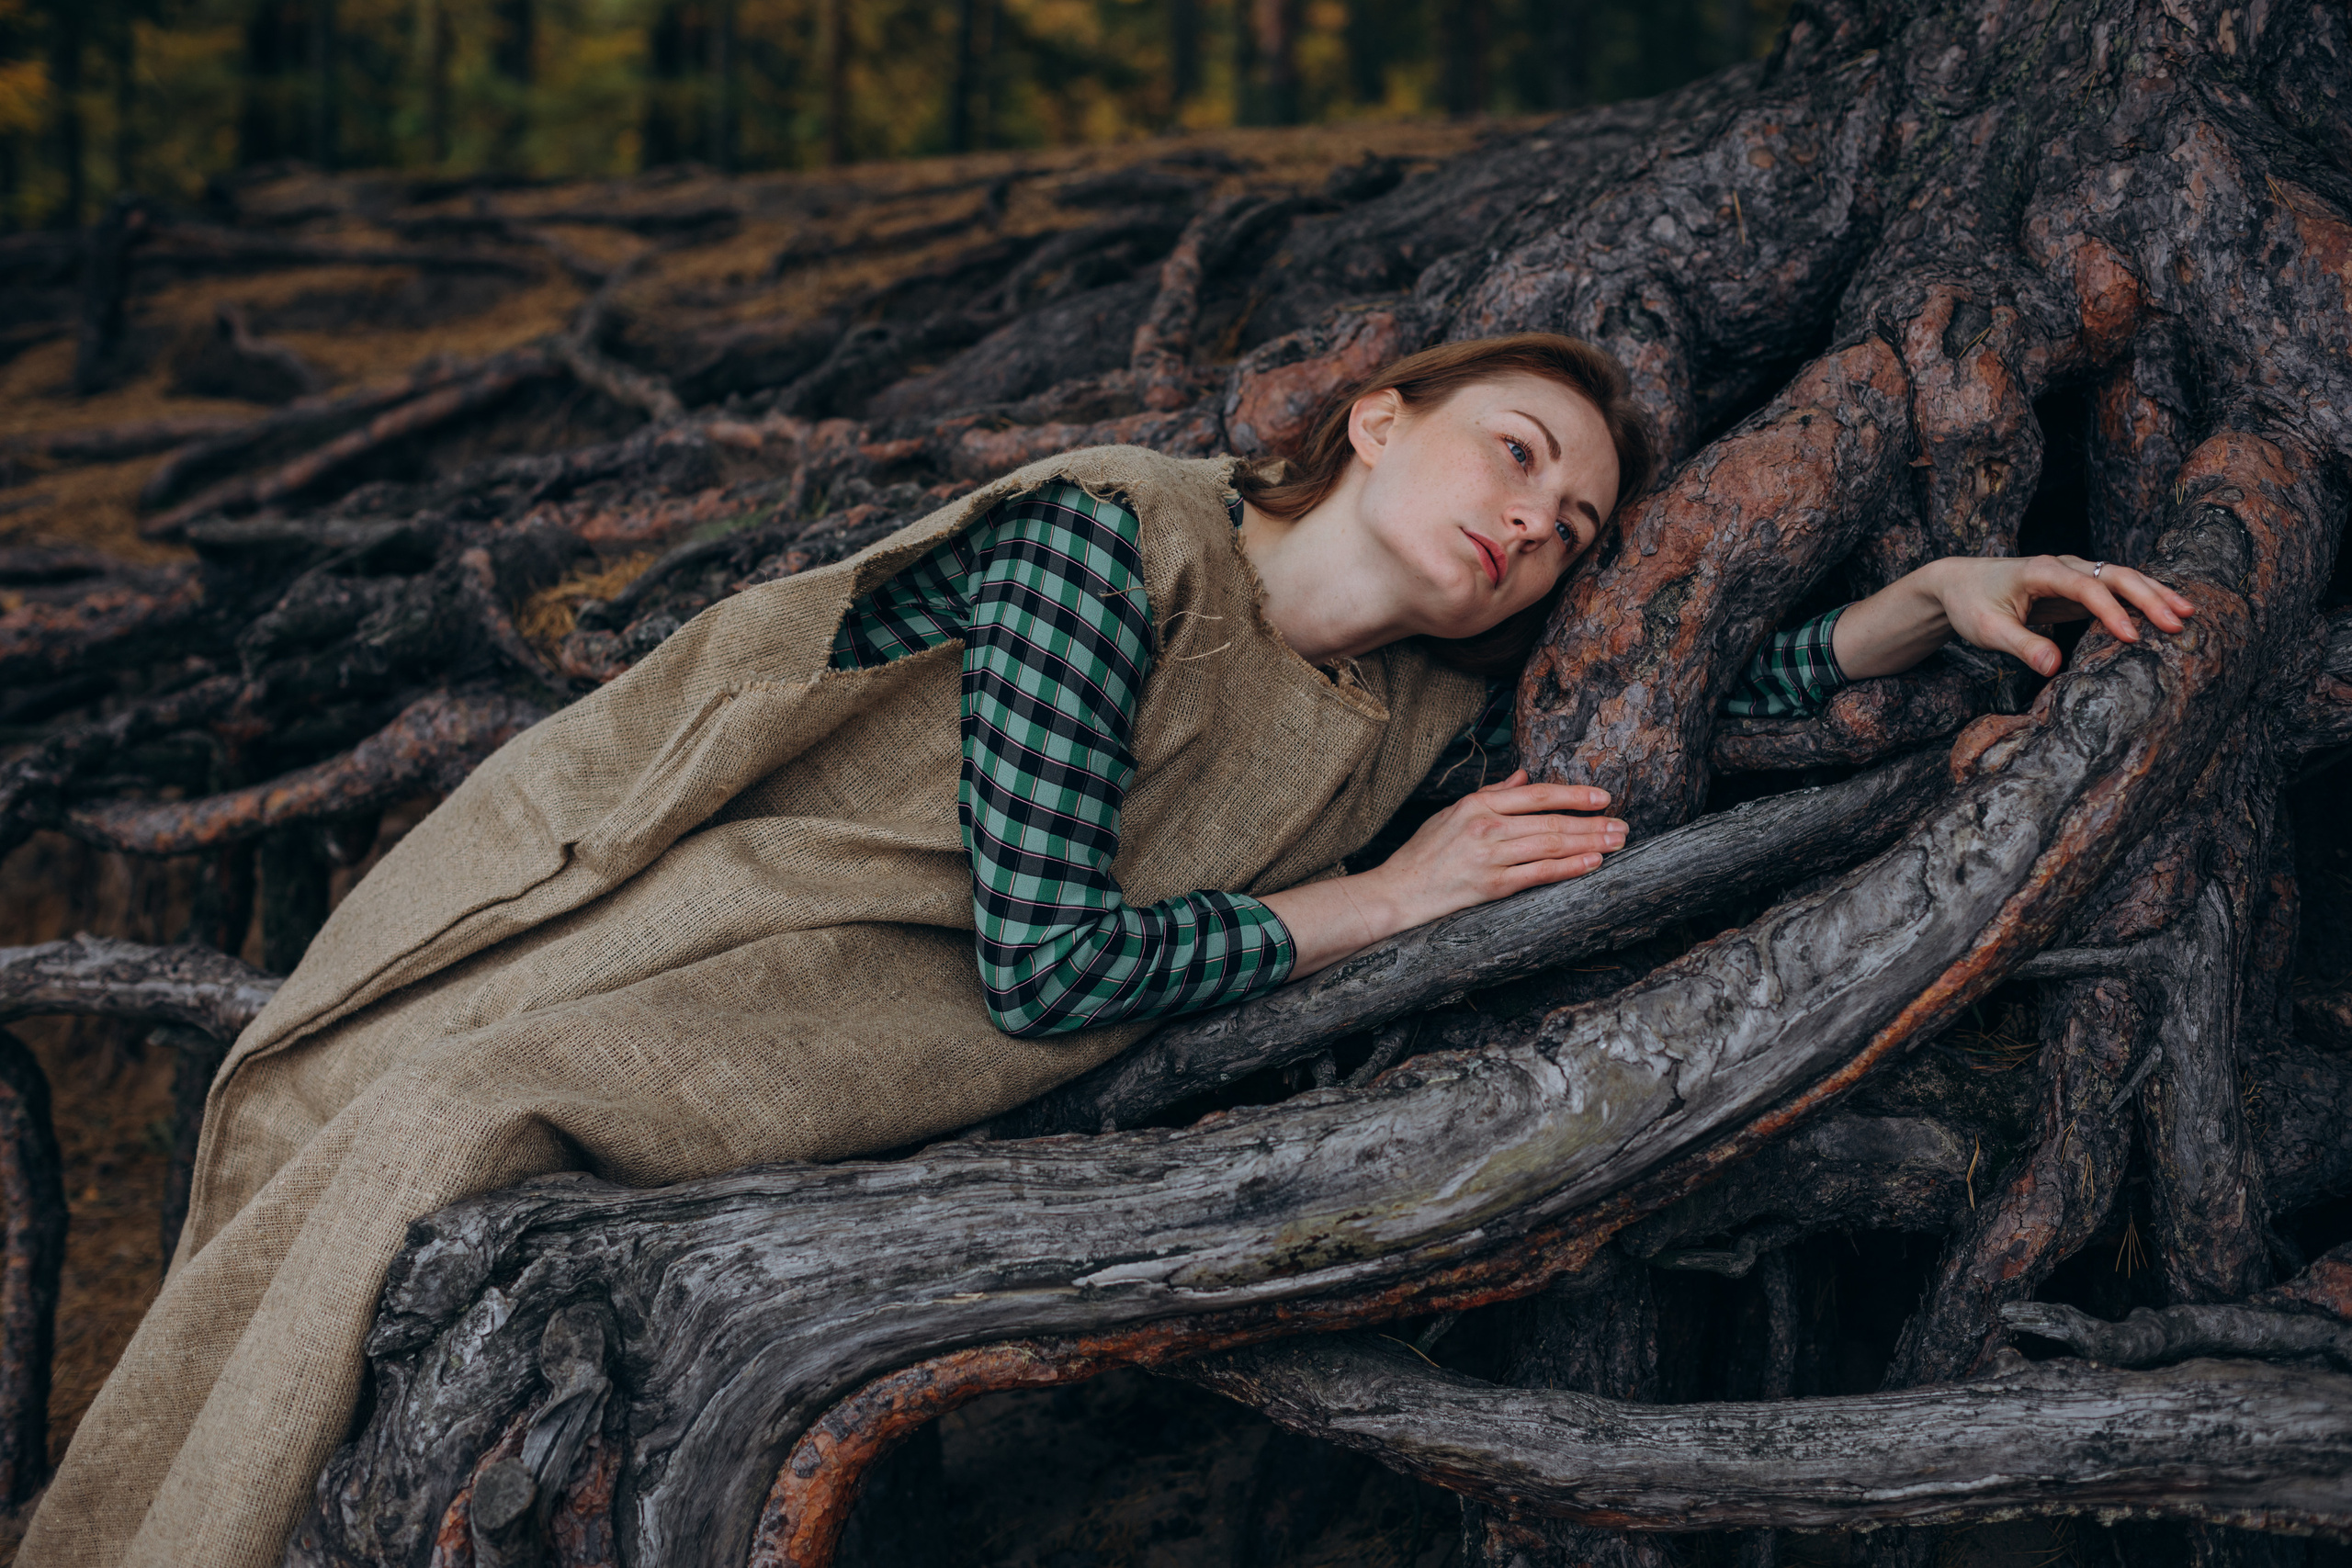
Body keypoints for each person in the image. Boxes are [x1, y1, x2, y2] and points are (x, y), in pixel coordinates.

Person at [19, 333, 2192, 1568]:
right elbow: (1049, 959)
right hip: (723, 945)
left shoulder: (1427, 711)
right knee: (408, 1117)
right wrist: (1379, 900)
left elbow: (1696, 703)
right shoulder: (1110, 533)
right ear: (1376, 419)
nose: (1531, 517)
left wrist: (1927, 601)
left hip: (894, 1027)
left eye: (1567, 527)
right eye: (1510, 449)